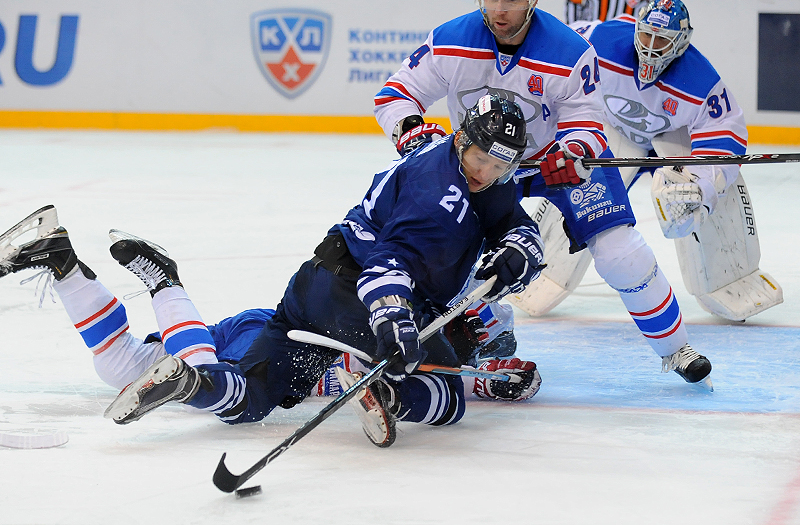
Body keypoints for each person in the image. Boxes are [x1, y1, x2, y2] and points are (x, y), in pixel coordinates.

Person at [0, 95, 543, 447]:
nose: (489, 173)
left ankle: (186, 373)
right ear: (463, 141)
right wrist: (395, 317)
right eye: (483, 160)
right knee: (447, 404)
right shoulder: (435, 199)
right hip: (354, 306)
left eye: (502, 166)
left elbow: (507, 215)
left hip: (312, 294)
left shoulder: (457, 164)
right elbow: (390, 264)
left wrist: (519, 247)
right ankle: (166, 290)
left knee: (233, 396)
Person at [374, 0, 713, 389]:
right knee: (438, 244)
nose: (500, 9)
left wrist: (574, 149)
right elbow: (395, 94)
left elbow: (588, 122)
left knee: (619, 251)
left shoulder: (570, 51)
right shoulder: (450, 39)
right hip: (480, 165)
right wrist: (415, 132)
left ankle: (676, 348)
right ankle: (488, 326)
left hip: (551, 162)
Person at [514, 0, 783, 323]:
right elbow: (555, 53)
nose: (652, 48)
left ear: (681, 42)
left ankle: (730, 278)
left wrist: (705, 187)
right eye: (646, 36)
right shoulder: (602, 39)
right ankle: (548, 269)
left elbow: (725, 133)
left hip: (674, 136)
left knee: (694, 192)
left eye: (663, 40)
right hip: (613, 128)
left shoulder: (701, 80)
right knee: (577, 181)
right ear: (636, 28)